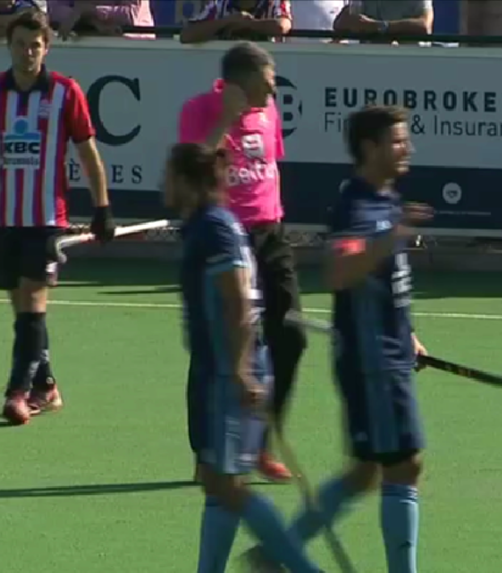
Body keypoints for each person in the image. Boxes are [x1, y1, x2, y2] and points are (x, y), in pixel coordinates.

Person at [243, 105, 432, 573]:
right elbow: (340, 271)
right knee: (404, 465)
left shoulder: (384, 199)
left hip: (388, 352)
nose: (406, 148)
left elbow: (384, 283)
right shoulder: (357, 206)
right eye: (397, 141)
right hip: (372, 361)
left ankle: (278, 554)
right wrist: (389, 238)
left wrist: (408, 333)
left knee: (366, 471)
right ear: (370, 148)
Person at [165, 142, 321, 573]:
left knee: (228, 486)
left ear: (188, 182)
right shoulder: (207, 225)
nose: (164, 184)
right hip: (219, 369)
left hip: (228, 373)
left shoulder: (215, 228)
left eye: (170, 176)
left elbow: (238, 301)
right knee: (219, 485)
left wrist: (239, 369)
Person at [0, 10, 115, 425]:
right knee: (23, 309)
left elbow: (88, 152)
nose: (27, 53)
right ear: (9, 46)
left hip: (46, 218)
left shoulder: (66, 91)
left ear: (46, 48)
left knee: (32, 302)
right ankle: (46, 385)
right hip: (3, 217)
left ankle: (17, 393)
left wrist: (102, 208)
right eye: (20, 45)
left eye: (35, 46)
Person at [179, 41, 303, 483]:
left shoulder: (270, 112)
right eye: (266, 81)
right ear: (240, 81)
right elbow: (193, 177)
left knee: (290, 336)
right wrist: (226, 120)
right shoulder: (198, 110)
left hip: (270, 235)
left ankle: (260, 441)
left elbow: (272, 166)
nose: (273, 89)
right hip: (223, 240)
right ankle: (206, 450)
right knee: (215, 346)